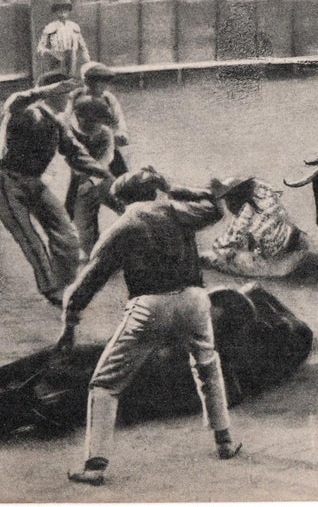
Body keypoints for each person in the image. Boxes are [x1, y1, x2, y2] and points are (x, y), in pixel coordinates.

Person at [57, 167, 242, 486]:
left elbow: (86, 284)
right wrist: (174, 187)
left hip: (150, 306)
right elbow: (215, 205)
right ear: (153, 191)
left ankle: (95, 466)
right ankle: (224, 442)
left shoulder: (122, 225)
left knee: (104, 384)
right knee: (207, 367)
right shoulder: (178, 209)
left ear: (120, 199)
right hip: (195, 299)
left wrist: (69, 328)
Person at [0, 71, 113, 307]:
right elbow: (14, 102)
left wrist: (104, 173)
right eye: (64, 95)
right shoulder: (25, 111)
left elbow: (76, 154)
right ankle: (51, 290)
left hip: (34, 183)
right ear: (52, 94)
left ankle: (67, 284)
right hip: (6, 183)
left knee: (67, 234)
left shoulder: (57, 123)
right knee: (30, 239)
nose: (68, 101)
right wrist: (47, 89)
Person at [200, 177, 308, 278]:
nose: (228, 203)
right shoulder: (266, 198)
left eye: (229, 198)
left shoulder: (247, 212)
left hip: (280, 264)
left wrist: (220, 251)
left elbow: (229, 241)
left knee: (220, 257)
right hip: (300, 248)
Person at [64, 61, 129, 218]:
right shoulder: (75, 96)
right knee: (78, 185)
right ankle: (70, 219)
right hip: (81, 147)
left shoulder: (108, 98)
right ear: (86, 80)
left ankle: (129, 212)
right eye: (96, 80)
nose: (100, 85)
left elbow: (119, 119)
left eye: (104, 81)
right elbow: (65, 118)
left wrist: (121, 133)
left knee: (124, 182)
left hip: (105, 143)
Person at [67, 95, 124, 258]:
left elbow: (105, 161)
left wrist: (92, 180)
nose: (97, 126)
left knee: (127, 203)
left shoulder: (105, 133)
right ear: (78, 117)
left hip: (100, 178)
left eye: (100, 121)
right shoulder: (65, 133)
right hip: (76, 186)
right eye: (91, 121)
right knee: (86, 237)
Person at [37, 0, 91, 78]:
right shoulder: (50, 27)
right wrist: (51, 54)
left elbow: (83, 47)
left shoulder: (74, 27)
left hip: (72, 61)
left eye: (65, 9)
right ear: (56, 11)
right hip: (56, 62)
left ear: (68, 11)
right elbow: (40, 48)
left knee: (71, 79)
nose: (62, 12)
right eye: (59, 9)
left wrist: (87, 61)